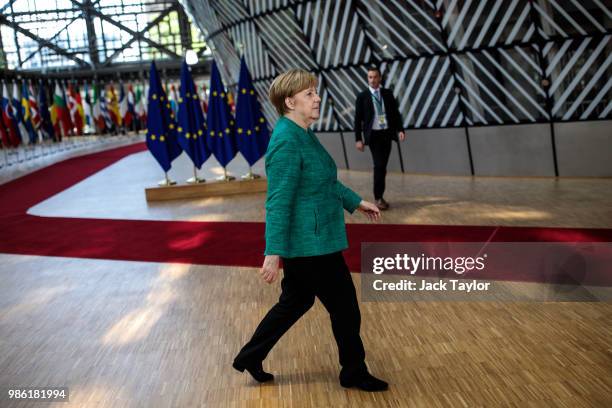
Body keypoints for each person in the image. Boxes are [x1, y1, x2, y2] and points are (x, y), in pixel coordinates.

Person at [233, 69, 389, 392]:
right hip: (311, 244)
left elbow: (323, 180)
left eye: (315, 92)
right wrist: (272, 252)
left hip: (314, 240)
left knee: (296, 302)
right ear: (289, 101)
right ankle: (353, 371)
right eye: (309, 94)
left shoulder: (302, 132)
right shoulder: (286, 142)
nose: (317, 98)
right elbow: (278, 201)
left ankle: (251, 355)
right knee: (345, 307)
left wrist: (357, 202)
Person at [354, 66, 405, 210]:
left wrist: (400, 129)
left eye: (375, 77)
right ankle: (378, 198)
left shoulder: (388, 94)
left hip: (387, 134)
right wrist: (358, 139)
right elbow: (358, 119)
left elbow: (395, 114)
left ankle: (379, 195)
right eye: (370, 77)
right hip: (374, 136)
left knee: (382, 167)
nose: (373, 80)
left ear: (380, 78)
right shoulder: (362, 96)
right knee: (379, 166)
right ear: (367, 79)